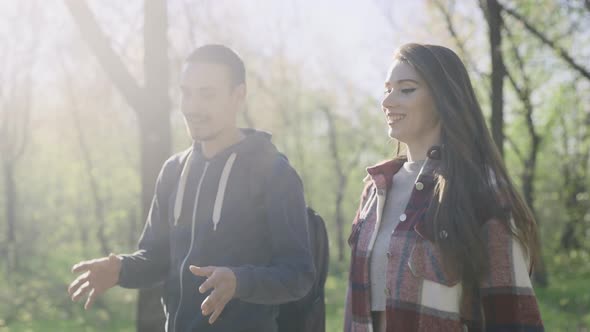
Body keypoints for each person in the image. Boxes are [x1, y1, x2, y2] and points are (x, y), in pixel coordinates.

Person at [67, 44, 315, 332]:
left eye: (207, 94)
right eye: (186, 92)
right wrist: (121, 269)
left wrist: (239, 282)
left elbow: (299, 275)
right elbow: (157, 259)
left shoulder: (273, 173)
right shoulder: (173, 171)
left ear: (238, 96)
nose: (192, 107)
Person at [344, 43, 544, 331]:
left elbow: (512, 315)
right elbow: (354, 310)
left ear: (443, 97)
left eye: (406, 89)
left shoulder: (482, 189)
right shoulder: (375, 190)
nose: (387, 101)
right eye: (387, 89)